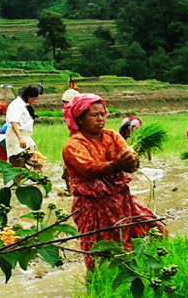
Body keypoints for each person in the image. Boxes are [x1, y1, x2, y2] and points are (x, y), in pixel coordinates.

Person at [61, 93, 164, 269]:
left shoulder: (112, 136)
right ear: (80, 119)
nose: (100, 119)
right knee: (98, 252)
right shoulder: (74, 144)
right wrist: (118, 164)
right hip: (92, 206)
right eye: (94, 115)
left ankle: (139, 270)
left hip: (121, 200)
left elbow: (130, 165)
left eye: (103, 114)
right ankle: (96, 286)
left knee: (152, 229)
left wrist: (132, 162)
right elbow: (90, 169)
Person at [5, 86, 41, 169]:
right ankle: (19, 181)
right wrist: (20, 138)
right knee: (18, 163)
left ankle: (40, 180)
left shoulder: (25, 105)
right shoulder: (16, 105)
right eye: (34, 99)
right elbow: (13, 122)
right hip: (15, 136)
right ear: (29, 97)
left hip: (26, 136)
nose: (34, 101)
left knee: (37, 161)